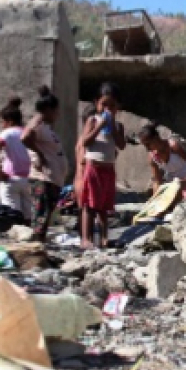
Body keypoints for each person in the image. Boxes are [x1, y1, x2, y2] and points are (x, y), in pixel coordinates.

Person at [76, 82, 126, 249]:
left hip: (108, 169)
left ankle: (104, 237)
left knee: (104, 206)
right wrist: (100, 126)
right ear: (96, 103)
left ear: (118, 107)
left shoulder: (118, 126)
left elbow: (121, 145)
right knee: (89, 205)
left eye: (112, 105)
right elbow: (86, 141)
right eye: (104, 104)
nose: (108, 109)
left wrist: (113, 129)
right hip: (93, 167)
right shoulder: (93, 120)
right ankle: (86, 239)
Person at [22, 85, 68, 242]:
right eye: (56, 111)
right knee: (40, 215)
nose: (58, 114)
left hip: (51, 178)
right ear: (49, 110)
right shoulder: (38, 122)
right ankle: (35, 246)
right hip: (43, 178)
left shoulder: (46, 127)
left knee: (45, 215)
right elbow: (25, 137)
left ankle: (39, 244)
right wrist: (40, 154)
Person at [0, 98, 45, 223]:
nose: (2, 125)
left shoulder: (7, 133)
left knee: (11, 214)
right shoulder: (28, 133)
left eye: (2, 122)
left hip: (10, 178)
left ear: (9, 121)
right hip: (29, 178)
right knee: (28, 215)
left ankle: (14, 240)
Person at [138, 122, 186, 201]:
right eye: (145, 145)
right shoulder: (152, 156)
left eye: (148, 144)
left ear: (156, 138)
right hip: (173, 182)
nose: (147, 148)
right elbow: (157, 180)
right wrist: (155, 198)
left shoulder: (172, 146)